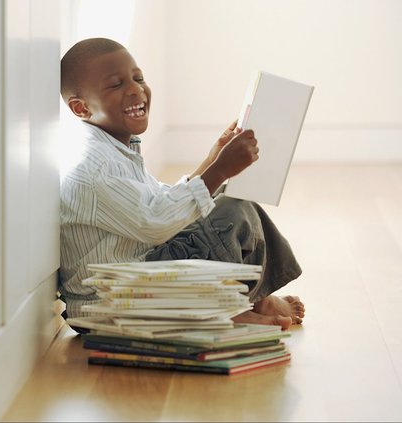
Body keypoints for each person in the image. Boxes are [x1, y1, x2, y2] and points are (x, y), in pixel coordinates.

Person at [59, 37, 304, 330]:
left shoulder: (113, 151)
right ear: (80, 108)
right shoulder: (95, 167)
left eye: (138, 78)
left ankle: (253, 299)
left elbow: (162, 200)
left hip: (138, 277)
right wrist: (218, 171)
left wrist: (213, 162)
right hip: (114, 303)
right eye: (116, 84)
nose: (136, 89)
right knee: (230, 211)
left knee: (225, 194)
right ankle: (231, 308)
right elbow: (158, 221)